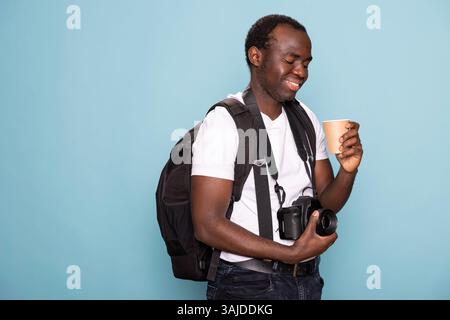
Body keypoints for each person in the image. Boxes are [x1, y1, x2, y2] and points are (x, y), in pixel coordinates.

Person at [191, 14, 363, 300]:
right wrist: (289, 252)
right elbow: (207, 224)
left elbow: (329, 202)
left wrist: (348, 170)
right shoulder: (224, 122)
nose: (301, 72)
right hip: (245, 284)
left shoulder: (306, 117)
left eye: (306, 63)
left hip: (308, 279)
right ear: (256, 56)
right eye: (291, 60)